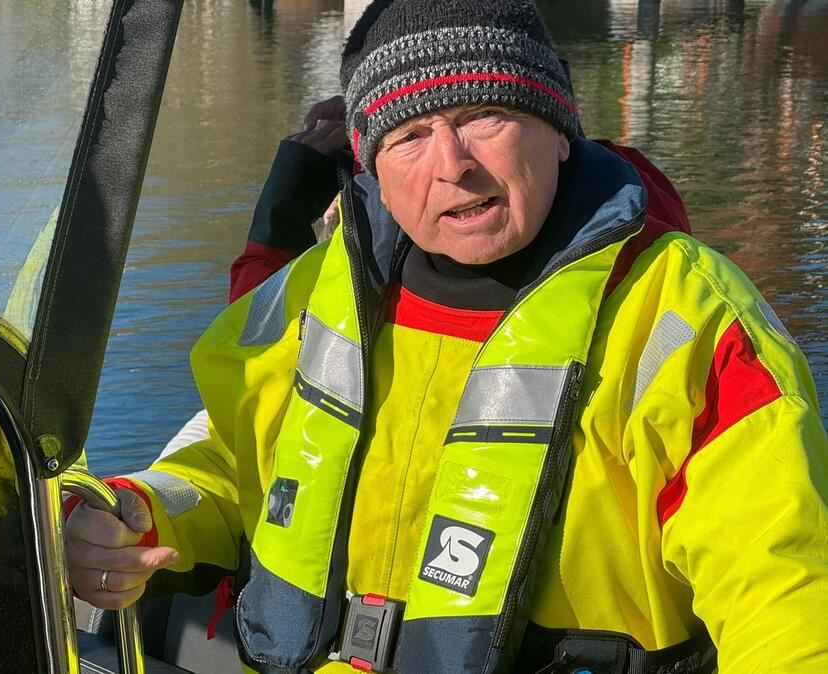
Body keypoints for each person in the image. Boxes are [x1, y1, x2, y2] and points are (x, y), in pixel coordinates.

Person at [63, 1, 828, 672]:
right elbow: (233, 463)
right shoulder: (309, 292)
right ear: (371, 166)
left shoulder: (687, 318)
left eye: (482, 117)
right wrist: (132, 514)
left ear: (560, 131)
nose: (452, 166)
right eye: (410, 136)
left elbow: (785, 595)